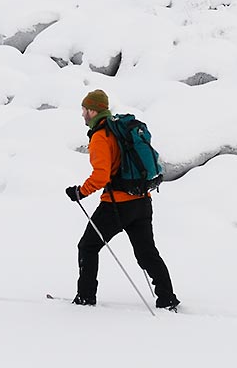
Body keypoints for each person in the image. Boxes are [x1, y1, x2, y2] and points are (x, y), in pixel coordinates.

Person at [65, 89, 180, 311]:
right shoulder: (120, 130)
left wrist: (81, 192)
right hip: (142, 201)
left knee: (87, 246)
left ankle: (85, 297)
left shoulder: (101, 136)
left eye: (84, 110)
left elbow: (101, 176)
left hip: (117, 206)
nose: (82, 114)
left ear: (93, 110)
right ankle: (167, 298)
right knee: (147, 253)